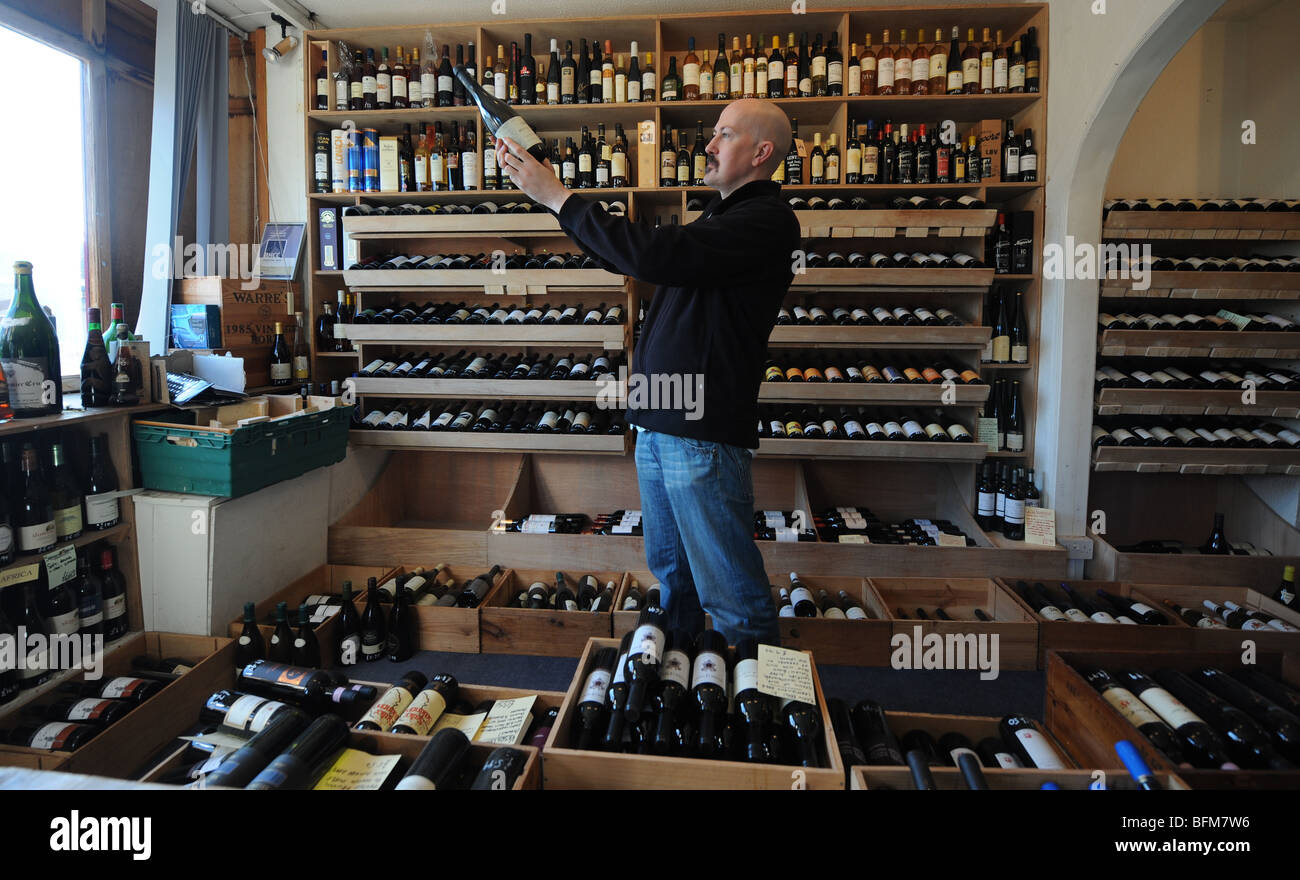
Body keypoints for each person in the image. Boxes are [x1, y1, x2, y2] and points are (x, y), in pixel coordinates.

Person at [497, 99, 799, 644]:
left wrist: (560, 197)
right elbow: (633, 258)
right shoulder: (718, 217)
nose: (708, 145)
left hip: (699, 430)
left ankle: (768, 710)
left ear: (761, 152)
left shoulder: (767, 221)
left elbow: (654, 253)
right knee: (674, 581)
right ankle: (686, 684)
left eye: (723, 135)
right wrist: (554, 204)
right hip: (662, 421)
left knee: (729, 589)